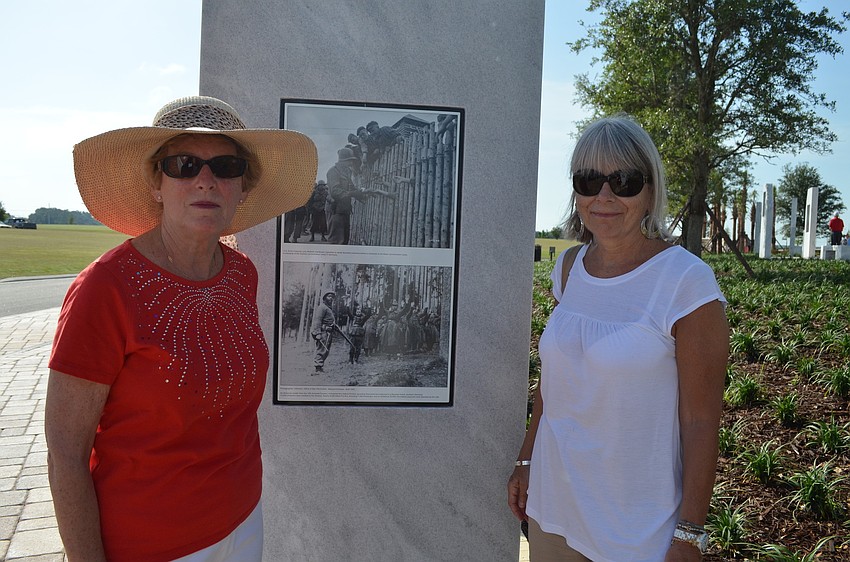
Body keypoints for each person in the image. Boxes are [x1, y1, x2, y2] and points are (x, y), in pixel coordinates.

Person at [45, 96, 317, 562]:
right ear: (157, 183)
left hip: (243, 522)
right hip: (150, 544)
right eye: (184, 164)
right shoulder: (105, 289)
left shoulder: (241, 274)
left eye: (226, 166)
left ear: (242, 187)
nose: (205, 180)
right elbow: (66, 455)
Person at [507, 115, 729, 562]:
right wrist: (527, 460)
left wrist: (690, 534)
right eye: (589, 180)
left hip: (636, 531)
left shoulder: (686, 282)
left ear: (649, 192)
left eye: (624, 181)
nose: (604, 196)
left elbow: (701, 420)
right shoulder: (569, 269)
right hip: (554, 513)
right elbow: (555, 384)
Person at [311, 291, 336, 372]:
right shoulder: (322, 307)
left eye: (332, 297)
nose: (331, 298)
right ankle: (318, 367)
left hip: (329, 332)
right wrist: (318, 333)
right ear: (325, 297)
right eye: (329, 296)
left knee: (325, 350)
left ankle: (320, 366)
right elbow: (317, 321)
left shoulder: (328, 308)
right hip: (323, 332)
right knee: (321, 349)